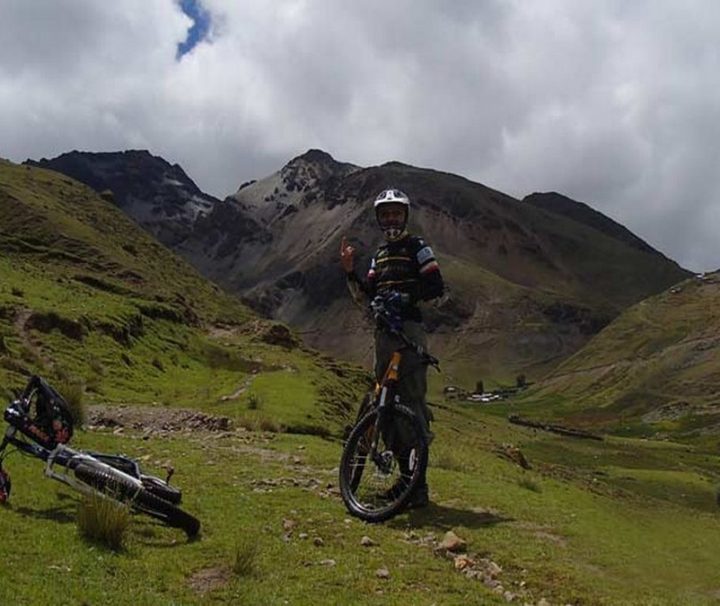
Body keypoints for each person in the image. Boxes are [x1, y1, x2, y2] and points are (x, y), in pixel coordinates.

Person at [340, 188, 444, 508]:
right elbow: (367, 295)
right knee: (384, 403)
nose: (391, 219)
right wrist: (349, 272)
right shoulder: (380, 256)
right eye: (385, 214)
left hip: (409, 334)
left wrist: (407, 296)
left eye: (396, 213)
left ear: (405, 216)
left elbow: (436, 287)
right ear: (379, 219)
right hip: (383, 335)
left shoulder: (418, 248)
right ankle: (404, 478)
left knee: (411, 404)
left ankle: (418, 484)